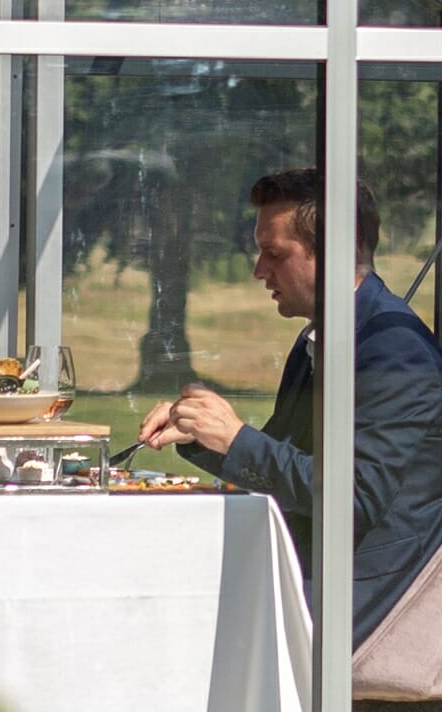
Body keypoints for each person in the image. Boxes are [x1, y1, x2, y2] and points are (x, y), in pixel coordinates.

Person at [140, 167, 442, 650]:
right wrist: (204, 435)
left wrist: (237, 439)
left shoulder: (396, 352)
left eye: (274, 254)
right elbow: (285, 461)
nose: (259, 270)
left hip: (360, 603)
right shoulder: (323, 335)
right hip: (311, 571)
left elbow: (354, 499)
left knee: (161, 617)